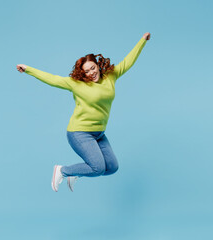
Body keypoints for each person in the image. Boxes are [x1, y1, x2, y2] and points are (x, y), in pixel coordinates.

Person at [17, 32, 151, 192]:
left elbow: (128, 61)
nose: (92, 73)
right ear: (83, 73)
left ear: (98, 66)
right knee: (97, 168)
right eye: (87, 71)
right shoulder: (76, 84)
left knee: (112, 167)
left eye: (93, 68)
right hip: (79, 133)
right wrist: (28, 69)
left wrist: (142, 41)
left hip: (99, 134)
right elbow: (52, 79)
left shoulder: (110, 76)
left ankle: (76, 173)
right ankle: (62, 170)